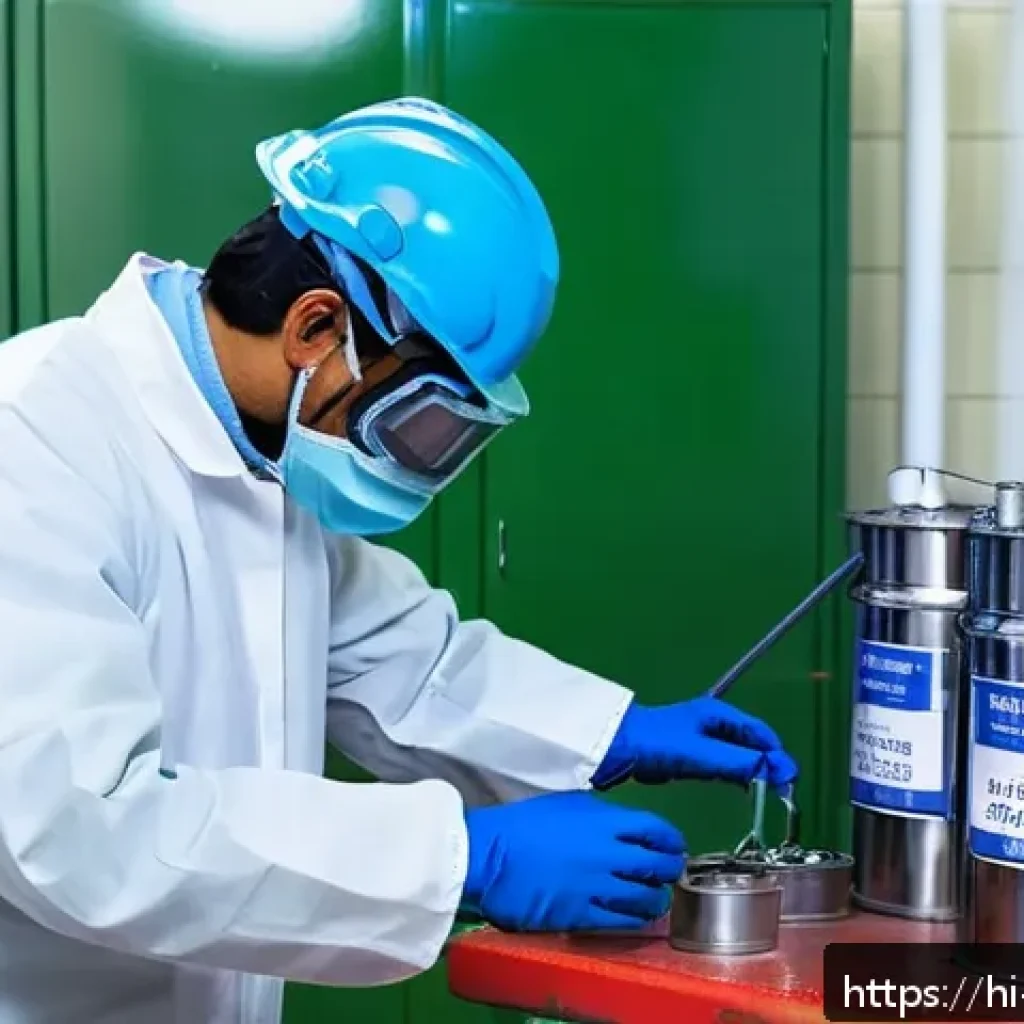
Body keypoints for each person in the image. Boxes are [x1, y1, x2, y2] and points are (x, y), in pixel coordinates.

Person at [0, 97, 797, 1023]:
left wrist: (610, 731)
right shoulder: (36, 442)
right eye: (420, 421)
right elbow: (82, 831)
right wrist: (467, 857)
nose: (410, 461)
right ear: (313, 326)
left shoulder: (258, 450)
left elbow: (403, 660)